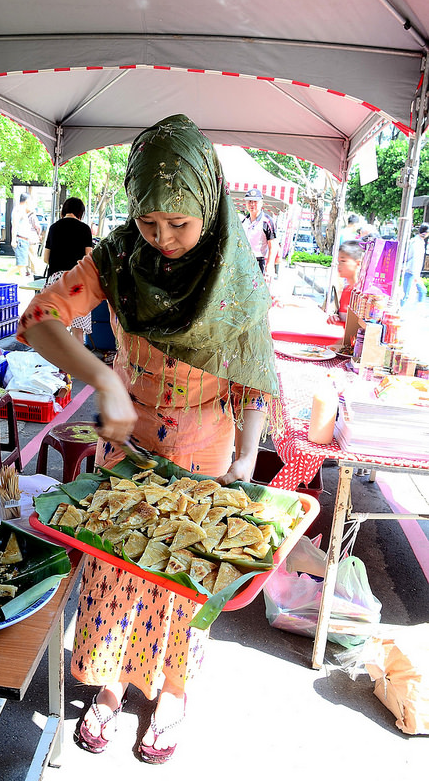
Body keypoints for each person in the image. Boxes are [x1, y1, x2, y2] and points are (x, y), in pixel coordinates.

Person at [17, 114, 278, 764]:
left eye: (178, 224)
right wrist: (102, 378)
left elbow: (253, 376)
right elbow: (40, 317)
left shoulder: (236, 274)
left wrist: (247, 454)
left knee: (184, 580)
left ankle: (171, 695)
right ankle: (110, 687)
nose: (161, 239)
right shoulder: (115, 258)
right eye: (148, 222)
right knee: (116, 569)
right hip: (128, 444)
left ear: (209, 209)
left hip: (206, 449)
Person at [43, 197, 94, 343]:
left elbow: (46, 258)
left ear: (64, 210)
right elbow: (89, 258)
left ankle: (56, 357)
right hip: (77, 282)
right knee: (77, 331)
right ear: (80, 212)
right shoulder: (84, 229)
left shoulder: (54, 228)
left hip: (56, 282)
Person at [240, 188, 279, 278]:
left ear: (261, 203)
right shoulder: (243, 221)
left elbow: (273, 245)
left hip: (258, 262)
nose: (252, 204)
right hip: (243, 260)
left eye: (255, 201)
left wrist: (270, 264)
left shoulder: (267, 221)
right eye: (249, 201)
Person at [327, 240, 363, 325]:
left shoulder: (363, 295)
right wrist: (334, 317)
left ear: (358, 263)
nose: (339, 265)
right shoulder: (346, 290)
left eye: (343, 261)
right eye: (338, 261)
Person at [401, 223, 429, 308]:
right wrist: (415, 274)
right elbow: (414, 259)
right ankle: (399, 309)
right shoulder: (416, 242)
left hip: (412, 271)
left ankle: (419, 307)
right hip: (411, 271)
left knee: (421, 291)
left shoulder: (418, 241)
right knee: (406, 294)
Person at [11, 193, 34, 277]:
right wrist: (13, 239)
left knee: (22, 264)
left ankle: (23, 280)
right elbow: (15, 225)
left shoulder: (23, 211)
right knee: (21, 265)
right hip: (20, 239)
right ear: (27, 201)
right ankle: (4, 277)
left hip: (24, 240)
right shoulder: (18, 210)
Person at [27, 204, 42, 277]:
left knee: (28, 256)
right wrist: (39, 235)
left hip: (26, 238)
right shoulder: (33, 217)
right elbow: (37, 227)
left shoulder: (26, 217)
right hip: (33, 238)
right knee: (33, 255)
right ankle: (34, 270)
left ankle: (28, 270)